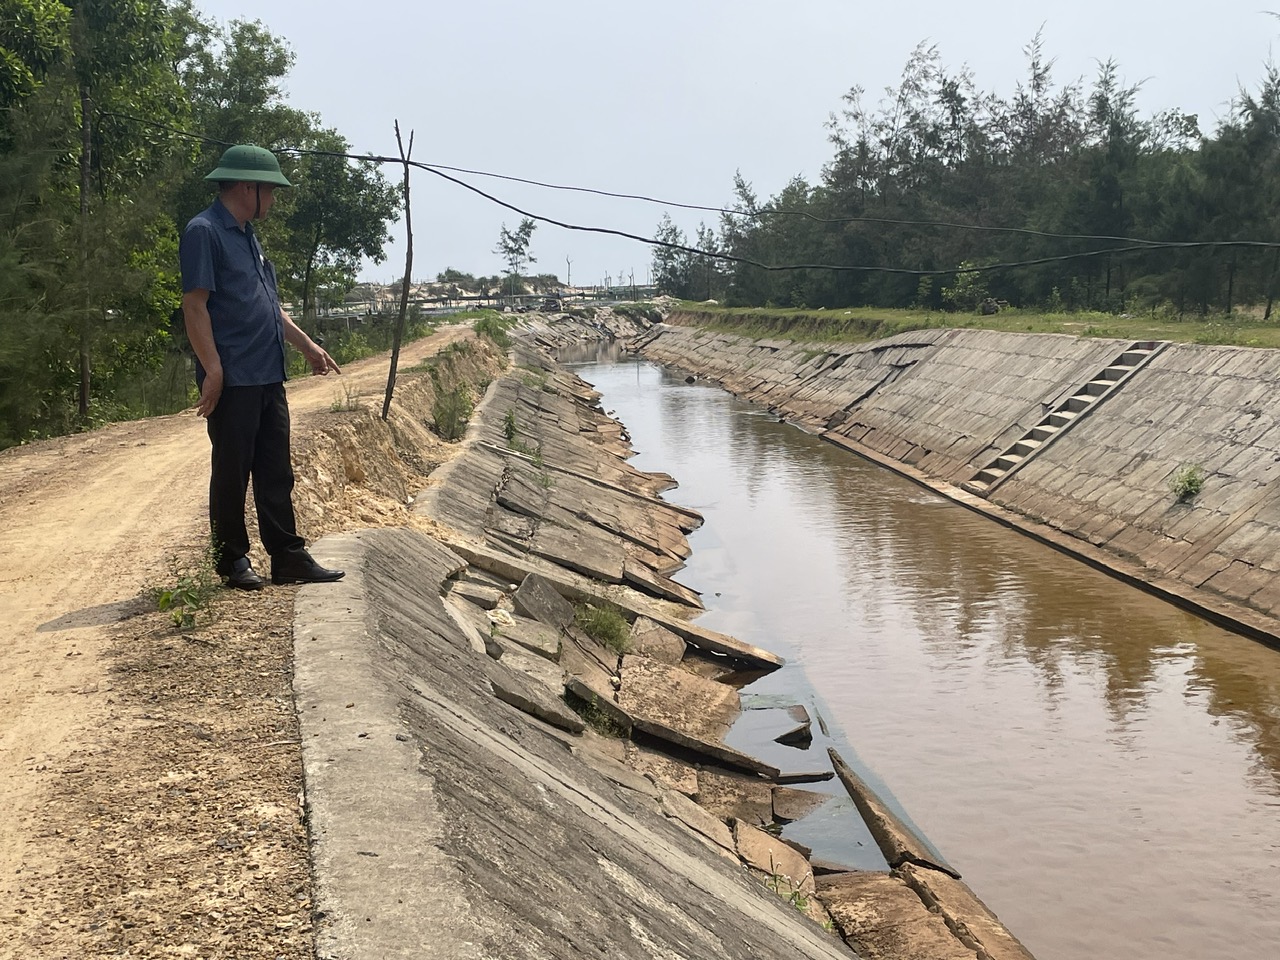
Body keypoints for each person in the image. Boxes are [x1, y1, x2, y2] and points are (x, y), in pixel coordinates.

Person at [179, 143, 345, 590]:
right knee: (232, 471)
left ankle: (287, 555)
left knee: (275, 469)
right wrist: (212, 369)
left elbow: (269, 306)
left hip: (268, 372)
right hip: (233, 376)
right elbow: (195, 306)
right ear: (247, 187)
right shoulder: (205, 232)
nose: (272, 200)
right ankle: (232, 560)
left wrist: (307, 344)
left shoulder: (247, 234)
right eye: (269, 191)